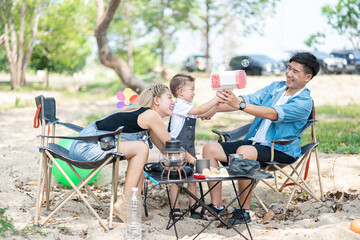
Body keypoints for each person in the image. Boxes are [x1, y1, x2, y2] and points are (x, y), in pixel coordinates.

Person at [202, 52, 320, 225]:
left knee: (244, 152)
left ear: (307, 77)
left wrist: (240, 105)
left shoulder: (304, 102)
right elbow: (249, 99)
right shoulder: (276, 87)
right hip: (254, 143)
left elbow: (272, 114)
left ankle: (243, 211)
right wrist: (214, 109)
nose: (289, 73)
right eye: (289, 68)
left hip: (279, 149)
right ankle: (217, 206)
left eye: (295, 71)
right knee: (209, 149)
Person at [69, 83, 197, 223]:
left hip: (91, 146)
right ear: (157, 100)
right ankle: (125, 204)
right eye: (169, 98)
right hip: (86, 147)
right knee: (141, 148)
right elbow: (173, 146)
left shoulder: (147, 117)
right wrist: (195, 161)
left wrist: (180, 163)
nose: (173, 102)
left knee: (142, 154)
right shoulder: (151, 115)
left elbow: (166, 149)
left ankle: (135, 205)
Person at [168, 73, 220, 220]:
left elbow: (204, 113)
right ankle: (175, 208)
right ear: (180, 92)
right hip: (176, 149)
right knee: (176, 179)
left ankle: (194, 206)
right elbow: (199, 111)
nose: (194, 92)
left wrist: (218, 104)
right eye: (191, 89)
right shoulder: (178, 106)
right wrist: (215, 99)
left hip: (189, 148)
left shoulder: (187, 106)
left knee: (192, 177)